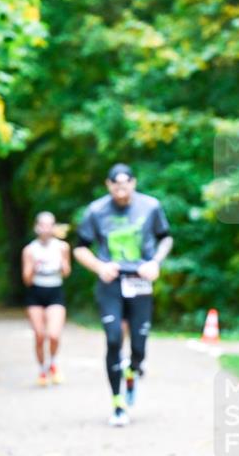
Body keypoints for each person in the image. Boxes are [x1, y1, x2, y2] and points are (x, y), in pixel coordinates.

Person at [73, 163, 173, 427]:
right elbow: (80, 248)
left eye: (125, 183)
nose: (121, 188)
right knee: (114, 338)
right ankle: (118, 404)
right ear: (108, 185)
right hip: (112, 283)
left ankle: (133, 370)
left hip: (140, 281)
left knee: (139, 346)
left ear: (134, 183)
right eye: (115, 184)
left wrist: (155, 263)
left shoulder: (150, 206)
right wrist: (99, 266)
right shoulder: (96, 210)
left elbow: (166, 238)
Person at [22, 211, 71, 386]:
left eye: (50, 225)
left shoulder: (62, 247)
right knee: (39, 335)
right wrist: (34, 267)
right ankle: (42, 370)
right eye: (42, 225)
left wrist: (62, 263)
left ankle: (53, 363)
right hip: (36, 292)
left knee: (54, 335)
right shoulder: (29, 250)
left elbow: (67, 272)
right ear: (37, 227)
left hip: (55, 291)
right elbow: (26, 280)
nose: (46, 228)